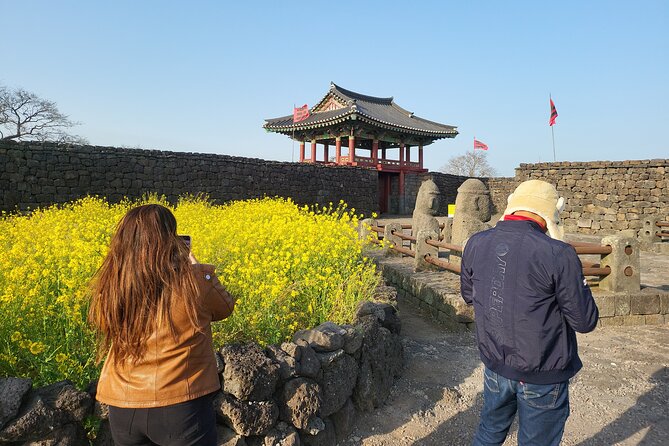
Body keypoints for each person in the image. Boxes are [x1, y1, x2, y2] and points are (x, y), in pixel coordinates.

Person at [460, 180, 599, 446]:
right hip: (542, 370)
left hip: (495, 363)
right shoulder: (558, 253)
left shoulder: (476, 242)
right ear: (552, 211)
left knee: (489, 433)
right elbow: (584, 320)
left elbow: (470, 296)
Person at [89, 204, 235, 446]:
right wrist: (195, 267)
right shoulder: (194, 282)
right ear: (170, 240)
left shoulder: (113, 286)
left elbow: (105, 324)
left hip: (124, 408)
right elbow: (225, 308)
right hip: (181, 408)